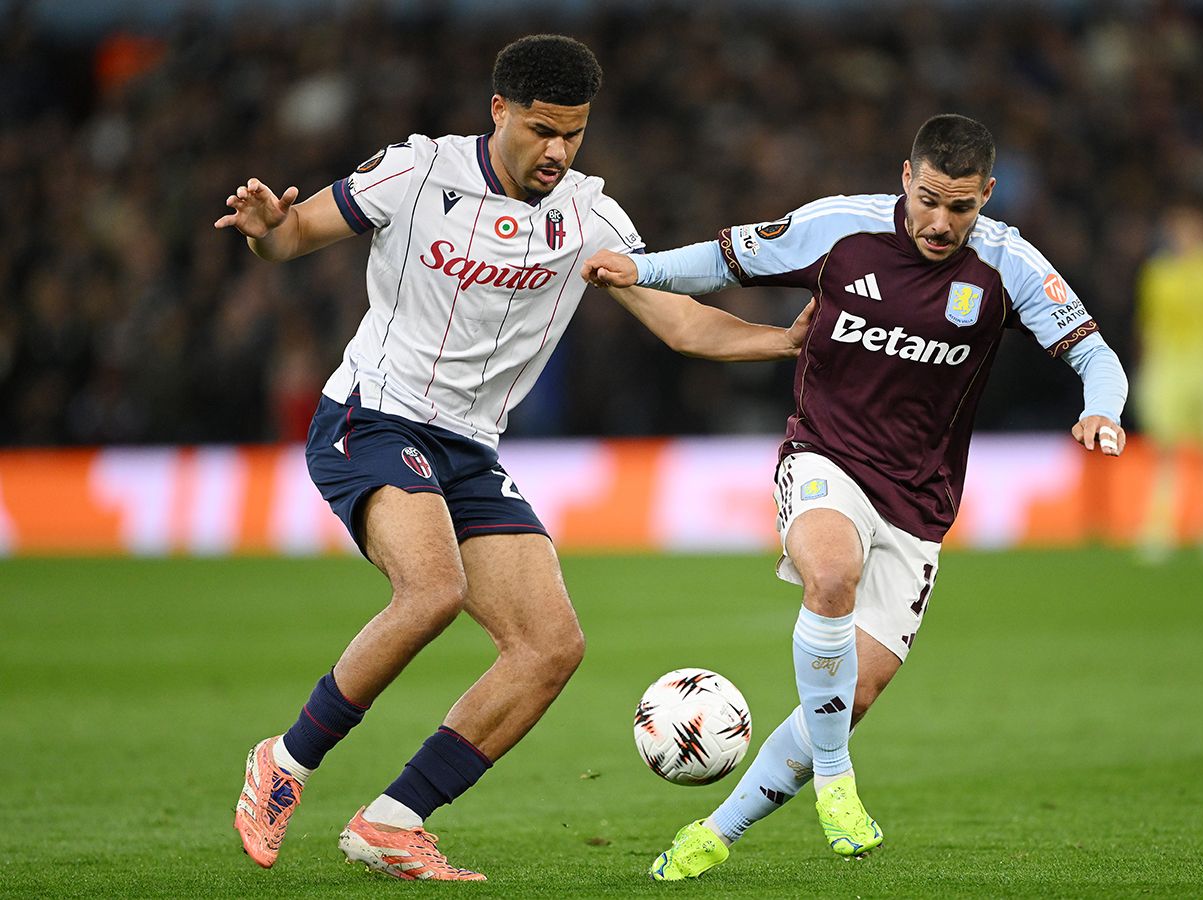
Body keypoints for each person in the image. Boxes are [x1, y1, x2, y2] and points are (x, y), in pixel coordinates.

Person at [215, 34, 811, 882]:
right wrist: (267, 232)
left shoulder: (591, 219)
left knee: (549, 646)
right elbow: (293, 235)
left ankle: (393, 821)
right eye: (541, 129)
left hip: (468, 448)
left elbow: (679, 321)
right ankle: (285, 761)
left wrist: (781, 341)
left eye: (574, 133)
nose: (558, 151)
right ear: (498, 111)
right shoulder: (416, 172)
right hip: (373, 417)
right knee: (432, 590)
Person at [583, 113, 1129, 881]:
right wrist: (638, 268)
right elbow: (722, 260)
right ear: (906, 178)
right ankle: (836, 780)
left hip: (919, 505)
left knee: (852, 695)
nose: (939, 223)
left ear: (986, 195)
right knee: (831, 574)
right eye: (928, 200)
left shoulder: (1009, 265)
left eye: (960, 207)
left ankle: (716, 832)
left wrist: (1102, 410)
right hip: (825, 455)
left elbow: (1096, 355)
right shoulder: (839, 229)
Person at [1134, 204, 1203, 565]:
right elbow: (1146, 324)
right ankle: (1160, 529)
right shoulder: (1158, 273)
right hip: (1167, 371)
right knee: (1165, 452)